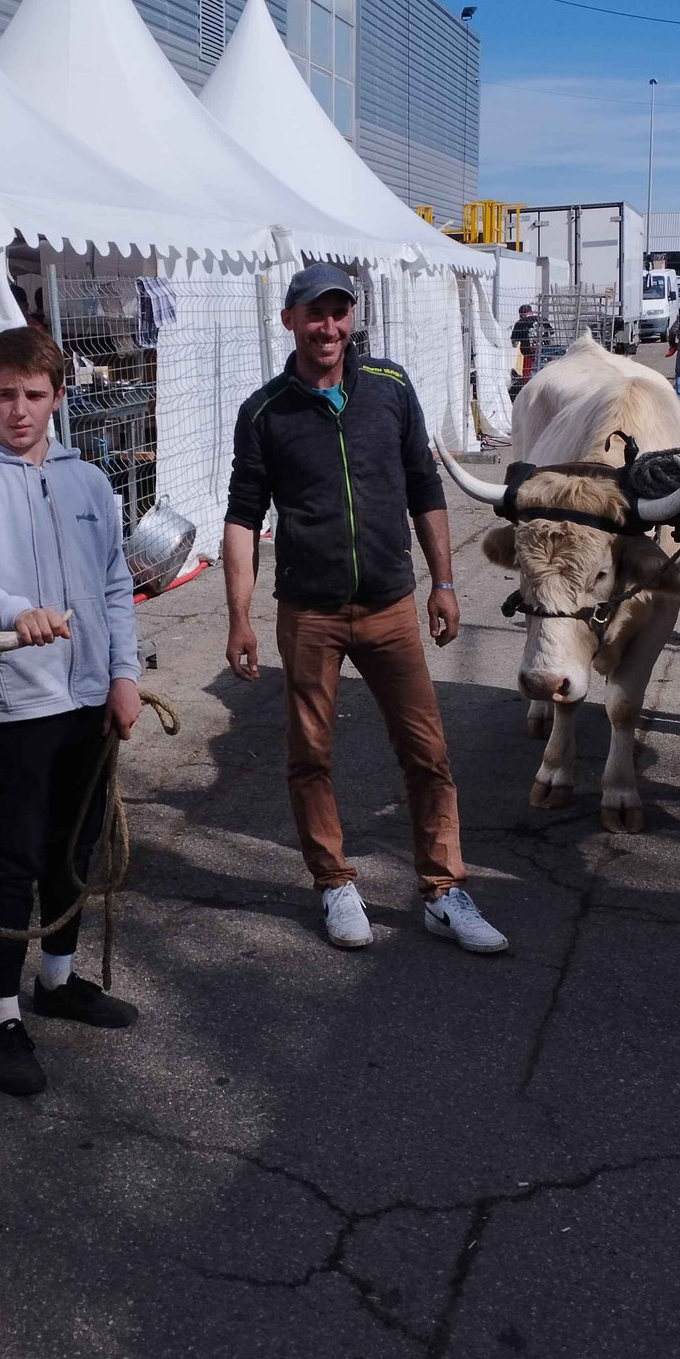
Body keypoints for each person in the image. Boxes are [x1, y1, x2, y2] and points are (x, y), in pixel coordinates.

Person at [222, 264, 506, 954]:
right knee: (309, 756)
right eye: (314, 314)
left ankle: (442, 891)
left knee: (427, 753)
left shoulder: (389, 387)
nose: (328, 328)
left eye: (338, 313)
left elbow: (423, 486)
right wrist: (240, 618)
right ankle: (334, 884)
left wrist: (443, 582)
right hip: (310, 613)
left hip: (388, 607)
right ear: (288, 320)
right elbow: (241, 518)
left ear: (352, 318)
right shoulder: (264, 412)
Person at [0, 325, 142, 1098]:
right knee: (13, 857)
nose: (18, 410)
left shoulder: (89, 481)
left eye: (33, 395)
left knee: (74, 843)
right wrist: (13, 609)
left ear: (59, 397)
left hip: (89, 694)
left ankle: (57, 979)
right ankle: (0, 1014)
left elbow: (116, 586)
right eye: (5, 395)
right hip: (19, 700)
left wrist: (124, 675)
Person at [510, 302, 552, 384]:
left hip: (529, 353)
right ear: (531, 312)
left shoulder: (520, 323)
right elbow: (551, 333)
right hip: (546, 352)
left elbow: (514, 343)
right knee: (546, 376)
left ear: (521, 315)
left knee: (528, 378)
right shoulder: (543, 319)